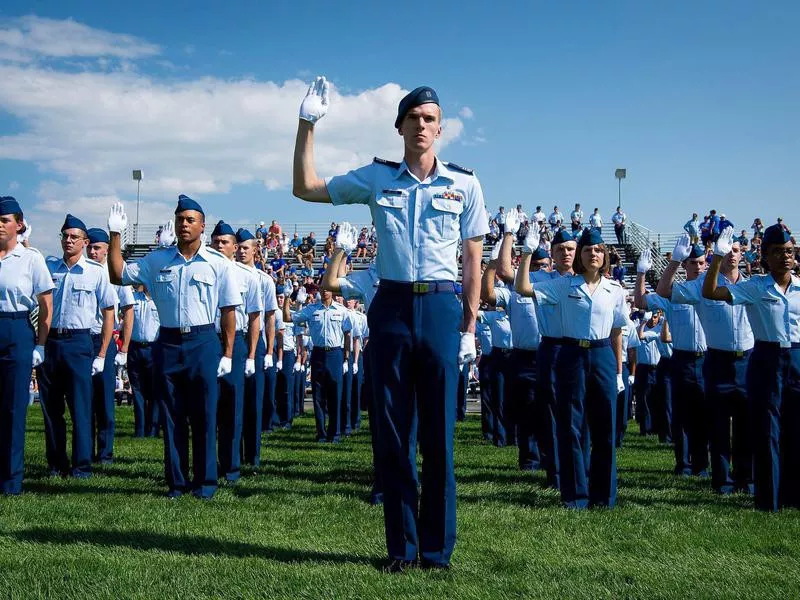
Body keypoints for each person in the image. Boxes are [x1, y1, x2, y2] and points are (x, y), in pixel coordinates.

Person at [292, 78, 487, 571]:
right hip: (393, 306)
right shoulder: (378, 179)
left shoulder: (465, 184)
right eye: (413, 118)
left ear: (440, 129)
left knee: (440, 434)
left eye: (429, 119)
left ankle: (437, 551)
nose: (421, 126)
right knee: (393, 433)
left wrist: (467, 328)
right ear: (399, 126)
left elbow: (472, 259)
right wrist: (307, 124)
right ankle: (400, 549)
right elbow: (306, 188)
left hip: (441, 306)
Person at [106, 197, 242, 499]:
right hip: (167, 342)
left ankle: (205, 483)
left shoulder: (219, 264)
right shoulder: (157, 260)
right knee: (171, 415)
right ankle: (177, 483)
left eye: (190, 219)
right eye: (180, 218)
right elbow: (117, 275)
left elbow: (229, 312)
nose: (184, 224)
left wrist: (229, 354)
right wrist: (116, 235)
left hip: (203, 342)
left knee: (205, 415)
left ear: (202, 226)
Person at [516, 227, 627, 509]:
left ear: (605, 256)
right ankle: (575, 495)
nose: (594, 255)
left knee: (605, 428)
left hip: (602, 354)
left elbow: (616, 332)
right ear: (580, 255)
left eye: (599, 250)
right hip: (572, 354)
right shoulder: (563, 286)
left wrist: (617, 371)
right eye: (588, 250)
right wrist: (527, 252)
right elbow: (523, 288)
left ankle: (604, 496)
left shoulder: (615, 290)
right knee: (570, 426)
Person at [702, 225, 798, 511]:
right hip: (767, 358)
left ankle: (793, 494)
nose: (785, 257)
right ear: (765, 256)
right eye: (778, 252)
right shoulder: (755, 287)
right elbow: (710, 292)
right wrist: (717, 258)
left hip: (797, 359)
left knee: (796, 429)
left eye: (789, 252)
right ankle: (768, 499)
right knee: (767, 429)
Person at [671, 228, 754, 495]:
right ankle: (722, 480)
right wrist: (675, 261)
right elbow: (663, 290)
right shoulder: (701, 285)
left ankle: (746, 478)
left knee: (745, 426)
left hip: (747, 361)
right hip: (717, 359)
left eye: (736, 249)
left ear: (743, 255)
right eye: (726, 250)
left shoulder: (752, 285)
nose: (732, 254)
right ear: (717, 254)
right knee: (718, 425)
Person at [39, 214, 116, 479]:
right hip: (51, 343)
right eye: (65, 236)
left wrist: (102, 353)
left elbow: (109, 313)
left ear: (85, 242)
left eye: (74, 237)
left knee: (81, 407)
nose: (68, 241)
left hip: (80, 342)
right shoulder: (49, 268)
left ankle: (81, 466)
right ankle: (56, 463)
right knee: (51, 409)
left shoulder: (95, 272)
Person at [320, 222, 382, 503]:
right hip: (381, 349)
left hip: (412, 347)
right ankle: (383, 481)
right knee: (382, 420)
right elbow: (330, 283)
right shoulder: (372, 276)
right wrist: (341, 251)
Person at [636, 237, 708, 477]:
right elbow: (641, 301)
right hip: (682, 358)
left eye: (701, 263)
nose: (697, 267)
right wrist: (641, 275)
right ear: (684, 266)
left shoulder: (712, 291)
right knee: (682, 413)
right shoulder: (673, 293)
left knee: (705, 414)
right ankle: (684, 463)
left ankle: (702, 464)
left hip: (707, 358)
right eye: (692, 263)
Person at [0, 198, 53, 494]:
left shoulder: (31, 259)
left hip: (16, 328)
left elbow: (46, 305)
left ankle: (10, 479)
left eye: (4, 220)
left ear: (19, 225)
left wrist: (40, 344)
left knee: (12, 407)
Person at [493, 210, 549, 471]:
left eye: (543, 265)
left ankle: (552, 457)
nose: (539, 269)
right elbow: (504, 270)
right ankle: (530, 459)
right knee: (526, 410)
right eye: (535, 266)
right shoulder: (525, 280)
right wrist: (508, 234)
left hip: (550, 352)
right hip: (524, 355)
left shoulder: (556, 280)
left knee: (552, 408)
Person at [211, 221, 263, 483]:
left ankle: (230, 467)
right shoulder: (205, 270)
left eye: (225, 242)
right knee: (207, 406)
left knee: (232, 405)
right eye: (216, 241)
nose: (220, 246)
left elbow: (255, 317)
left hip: (238, 342)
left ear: (234, 247)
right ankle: (207, 465)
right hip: (209, 340)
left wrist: (252, 355)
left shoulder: (248, 277)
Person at [85, 228, 135, 464]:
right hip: (84, 339)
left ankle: (105, 452)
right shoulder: (83, 270)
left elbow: (128, 310)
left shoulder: (114, 273)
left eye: (97, 248)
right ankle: (85, 450)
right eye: (90, 247)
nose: (93, 252)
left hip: (105, 339)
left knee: (105, 400)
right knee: (84, 399)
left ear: (107, 249)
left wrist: (124, 348)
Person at [285, 285, 352, 443]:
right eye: (322, 288)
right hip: (318, 353)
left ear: (332, 291)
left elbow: (348, 335)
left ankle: (334, 433)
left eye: (327, 288)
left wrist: (346, 358)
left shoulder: (341, 310)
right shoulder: (311, 309)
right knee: (318, 395)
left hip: (335, 353)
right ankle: (321, 433)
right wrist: (288, 298)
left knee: (335, 394)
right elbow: (287, 318)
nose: (324, 291)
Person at [235, 227, 278, 467]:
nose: (241, 252)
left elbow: (270, 316)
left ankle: (252, 456)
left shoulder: (264, 280)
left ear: (255, 250)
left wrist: (270, 350)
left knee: (253, 400)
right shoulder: (229, 274)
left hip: (256, 342)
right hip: (234, 338)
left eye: (245, 248)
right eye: (238, 247)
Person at [127, 284, 161, 438]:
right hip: (134, 348)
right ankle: (140, 430)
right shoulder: (133, 299)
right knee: (137, 391)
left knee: (155, 392)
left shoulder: (161, 300)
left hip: (154, 349)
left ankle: (153, 430)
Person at [635, 311, 663, 436]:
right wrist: (643, 322)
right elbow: (638, 336)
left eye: (655, 317)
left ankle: (657, 427)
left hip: (658, 367)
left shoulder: (660, 329)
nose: (653, 320)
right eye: (651, 317)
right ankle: (645, 428)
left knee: (657, 398)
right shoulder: (640, 328)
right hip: (644, 367)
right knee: (644, 399)